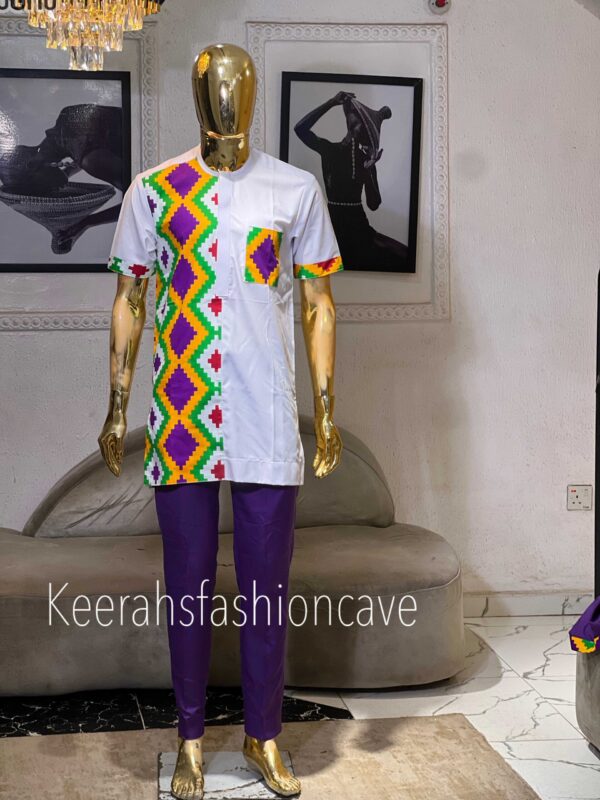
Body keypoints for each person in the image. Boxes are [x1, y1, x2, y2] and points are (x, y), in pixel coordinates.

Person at [294, 90, 409, 272]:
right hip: (332, 229)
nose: (357, 131)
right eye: (355, 125)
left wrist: (369, 170)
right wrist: (331, 102)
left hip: (360, 231)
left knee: (403, 256)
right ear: (348, 124)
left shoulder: (366, 160)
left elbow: (374, 204)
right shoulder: (330, 151)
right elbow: (300, 129)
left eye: (362, 128)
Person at [0, 104, 123, 252]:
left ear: (33, 166)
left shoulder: (91, 161)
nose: (53, 191)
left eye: (42, 189)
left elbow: (139, 201)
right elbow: (85, 147)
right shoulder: (67, 117)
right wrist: (64, 173)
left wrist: (87, 223)